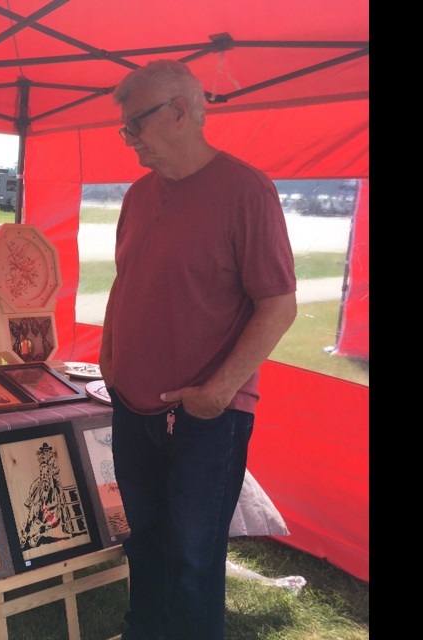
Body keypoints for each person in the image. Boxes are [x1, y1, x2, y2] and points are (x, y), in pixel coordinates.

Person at [98, 60, 298, 640]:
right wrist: (110, 356)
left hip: (204, 416)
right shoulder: (138, 195)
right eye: (125, 127)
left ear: (180, 112)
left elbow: (278, 306)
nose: (129, 138)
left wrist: (217, 392)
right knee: (146, 542)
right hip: (131, 405)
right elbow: (125, 280)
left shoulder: (246, 190)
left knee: (191, 556)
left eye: (134, 123)